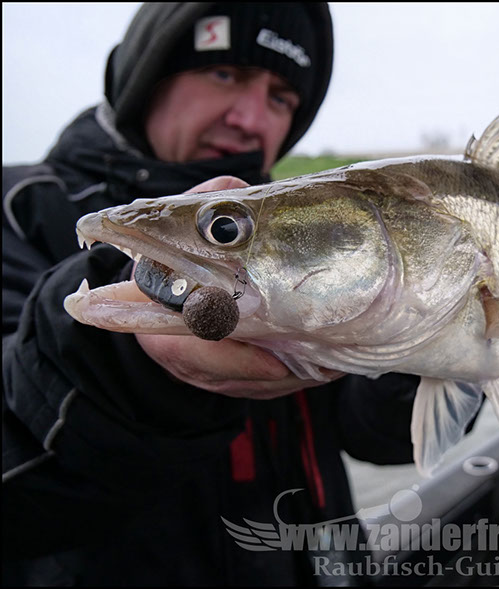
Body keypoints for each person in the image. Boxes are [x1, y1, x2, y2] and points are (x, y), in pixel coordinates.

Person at [2, 3, 420, 585]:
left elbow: (375, 436)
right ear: (147, 75)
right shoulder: (20, 209)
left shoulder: (316, 236)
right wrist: (125, 370)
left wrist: (426, 339)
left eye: (281, 98)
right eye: (225, 74)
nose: (251, 118)